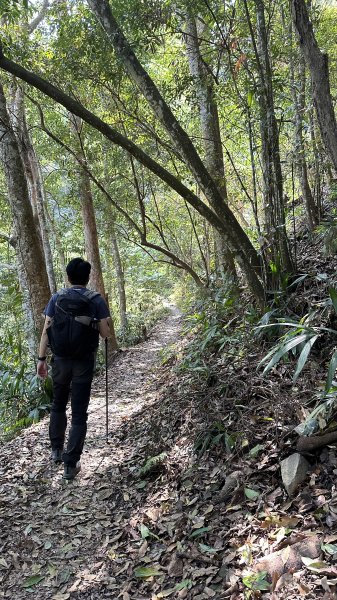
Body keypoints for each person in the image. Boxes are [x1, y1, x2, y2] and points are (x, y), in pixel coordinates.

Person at [37, 257, 111, 480]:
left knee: (58, 404)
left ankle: (56, 450)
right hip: (83, 362)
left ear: (68, 277)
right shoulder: (95, 299)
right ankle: (71, 464)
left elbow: (46, 330)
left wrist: (41, 359)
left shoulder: (56, 298)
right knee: (79, 412)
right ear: (88, 278)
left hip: (59, 361)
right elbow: (106, 335)